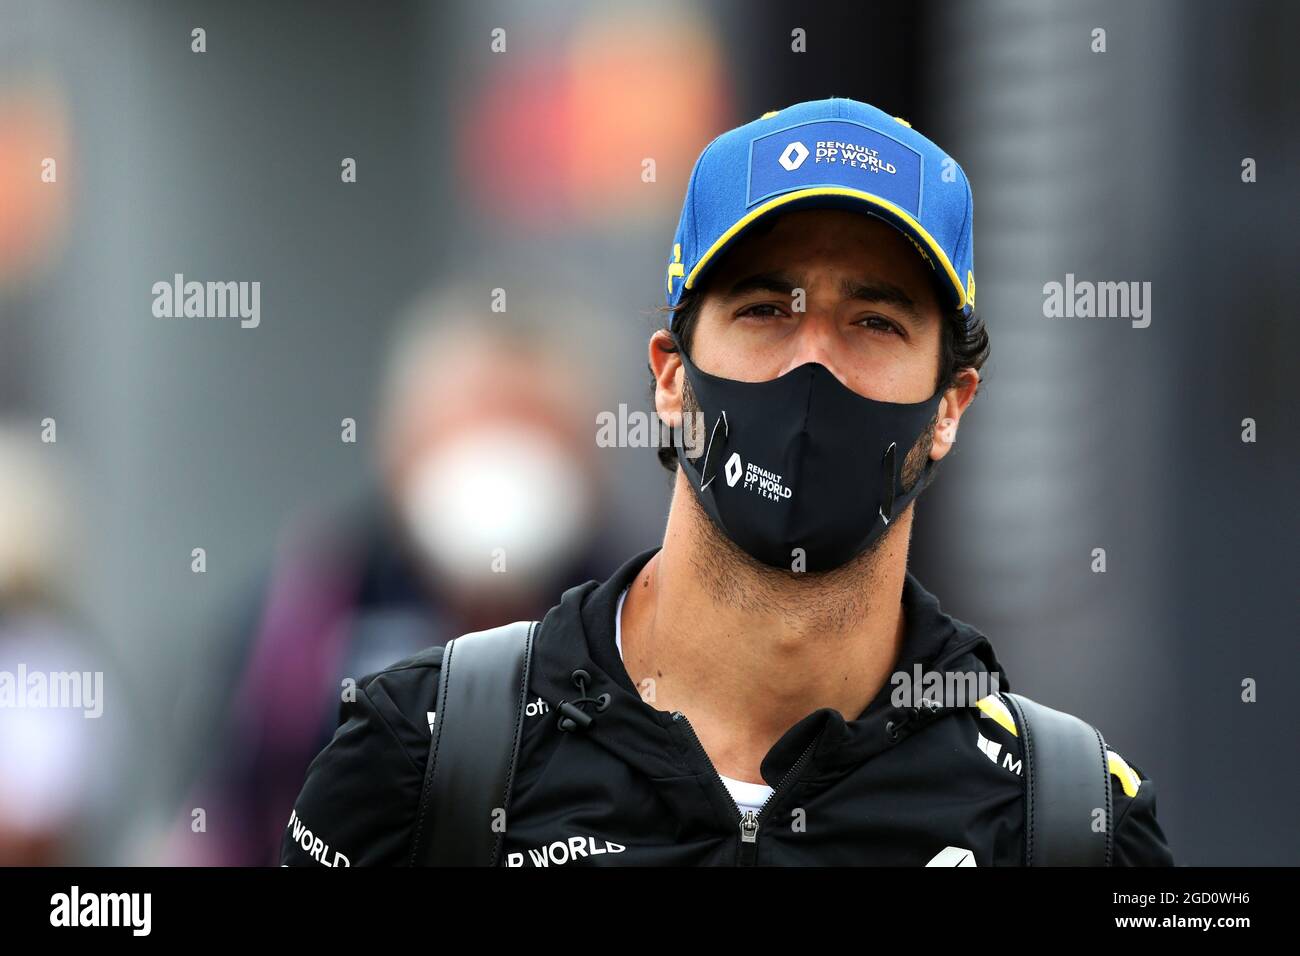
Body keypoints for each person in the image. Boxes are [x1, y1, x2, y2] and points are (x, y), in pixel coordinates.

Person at [281, 97, 1174, 866]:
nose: (813, 365)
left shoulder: (1064, 819)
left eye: (873, 320)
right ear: (670, 375)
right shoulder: (429, 753)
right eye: (762, 311)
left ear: (950, 406)